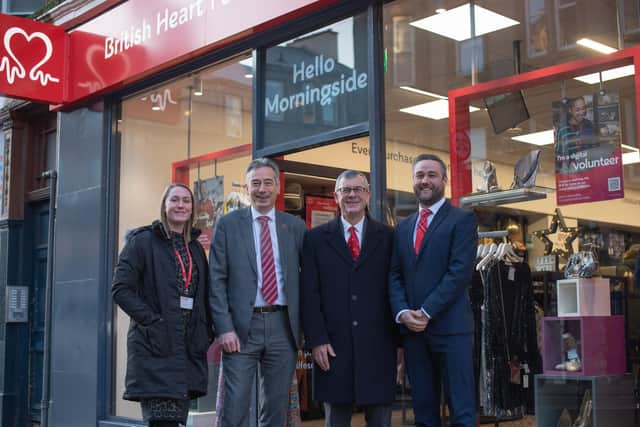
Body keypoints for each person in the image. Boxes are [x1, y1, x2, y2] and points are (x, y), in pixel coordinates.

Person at [209, 157, 306, 427]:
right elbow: (216, 280)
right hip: (240, 329)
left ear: (277, 187)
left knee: (275, 410)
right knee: (235, 408)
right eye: (255, 183)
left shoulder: (295, 227)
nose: (261, 189)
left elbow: (308, 280)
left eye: (267, 183)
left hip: (282, 327)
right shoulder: (228, 225)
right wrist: (224, 328)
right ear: (247, 188)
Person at [112, 183, 213, 427]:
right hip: (156, 348)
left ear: (192, 208)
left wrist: (207, 331)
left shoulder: (195, 247)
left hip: (188, 350)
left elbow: (204, 295)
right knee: (161, 422)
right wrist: (152, 321)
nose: (180, 205)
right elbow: (120, 289)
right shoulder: (143, 241)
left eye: (186, 201)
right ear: (164, 205)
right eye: (175, 200)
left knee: (175, 422)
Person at [301, 170, 396, 427]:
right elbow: (309, 294)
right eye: (346, 190)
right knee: (336, 420)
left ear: (367, 194)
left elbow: (396, 288)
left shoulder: (389, 237)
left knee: (380, 420)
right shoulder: (315, 239)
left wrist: (399, 343)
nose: (352, 195)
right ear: (335, 196)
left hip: (379, 347)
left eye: (358, 189)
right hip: (333, 349)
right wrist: (317, 340)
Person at [389, 154, 478, 427]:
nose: (425, 180)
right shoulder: (403, 226)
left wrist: (426, 311)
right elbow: (394, 274)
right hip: (414, 335)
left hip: (451, 331)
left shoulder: (462, 219)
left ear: (444, 180)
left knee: (461, 413)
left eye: (431, 175)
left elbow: (459, 272)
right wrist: (403, 312)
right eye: (419, 175)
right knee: (424, 415)